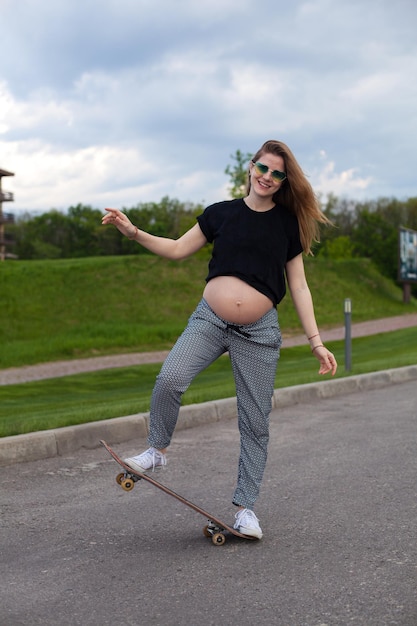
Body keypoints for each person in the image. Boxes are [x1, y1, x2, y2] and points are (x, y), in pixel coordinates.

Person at [101, 139, 337, 539]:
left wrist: (316, 340)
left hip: (259, 333)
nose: (268, 177)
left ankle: (245, 509)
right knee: (170, 379)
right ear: (250, 167)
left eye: (277, 173)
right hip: (209, 320)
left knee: (255, 421)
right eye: (263, 168)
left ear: (283, 181)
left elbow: (298, 286)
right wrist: (133, 231)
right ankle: (156, 451)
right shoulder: (220, 214)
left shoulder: (286, 224)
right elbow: (177, 249)